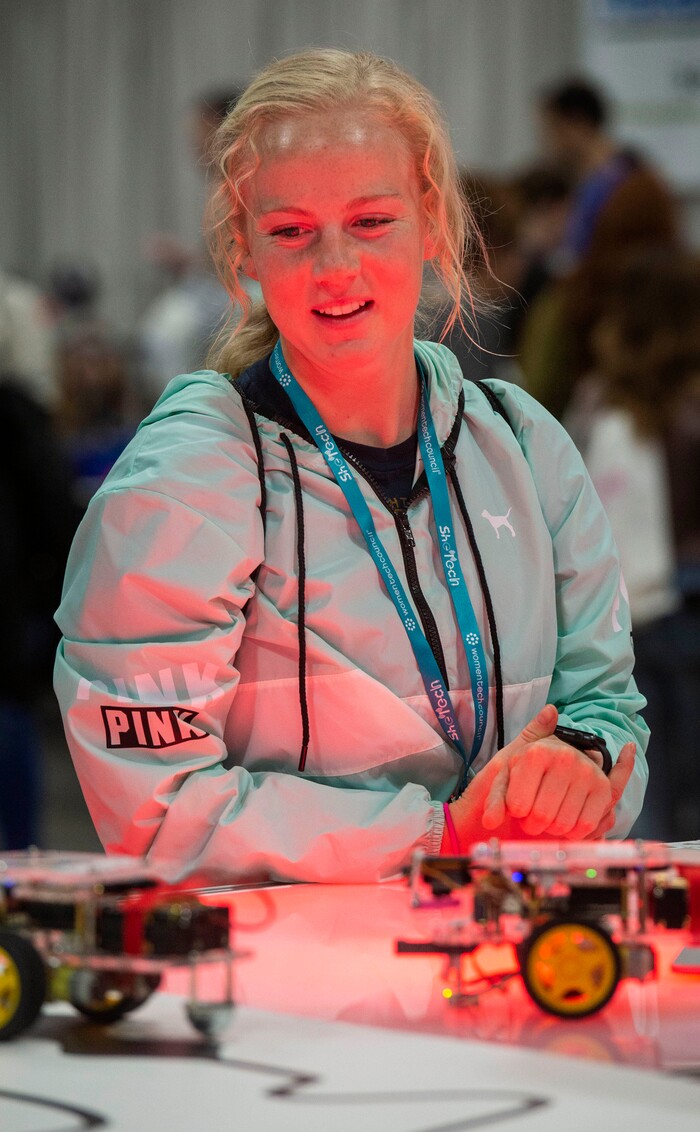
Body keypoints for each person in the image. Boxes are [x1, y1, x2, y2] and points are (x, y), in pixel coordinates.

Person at [54, 49, 647, 885]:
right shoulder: (185, 483)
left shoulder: (521, 442)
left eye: (372, 221)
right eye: (292, 231)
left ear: (432, 219)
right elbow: (154, 806)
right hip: (282, 991)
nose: (336, 266)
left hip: (507, 958)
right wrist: (436, 831)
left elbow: (605, 705)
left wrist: (580, 769)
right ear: (242, 248)